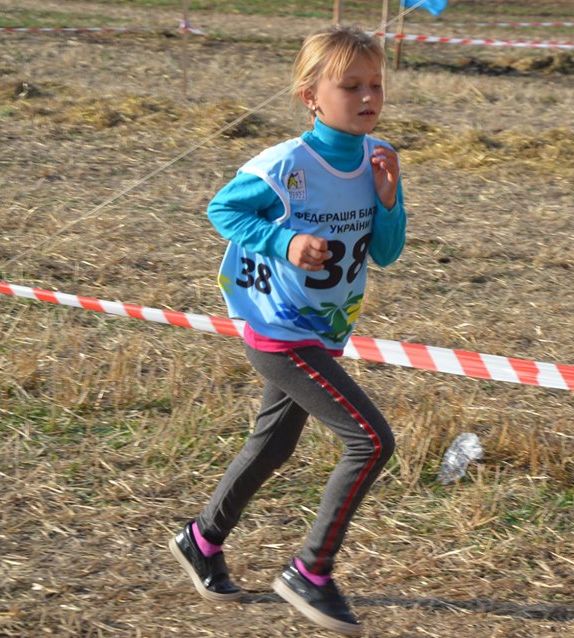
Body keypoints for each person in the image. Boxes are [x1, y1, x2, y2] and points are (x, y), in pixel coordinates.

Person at [169, 25, 405, 637]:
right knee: (371, 441)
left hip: (325, 333)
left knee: (273, 446)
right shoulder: (285, 164)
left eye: (375, 84)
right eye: (349, 85)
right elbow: (222, 209)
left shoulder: (378, 157)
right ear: (311, 95)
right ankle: (311, 571)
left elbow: (387, 252)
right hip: (279, 330)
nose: (366, 96)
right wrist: (286, 240)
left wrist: (389, 198)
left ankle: (202, 539)